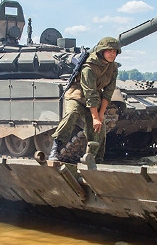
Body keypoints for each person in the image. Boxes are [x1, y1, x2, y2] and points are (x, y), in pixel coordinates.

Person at [48, 37, 120, 168]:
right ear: (101, 51)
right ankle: (56, 149)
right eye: (109, 51)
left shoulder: (113, 67)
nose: (112, 54)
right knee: (72, 114)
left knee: (100, 127)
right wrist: (95, 117)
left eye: (115, 51)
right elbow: (89, 92)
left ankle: (96, 159)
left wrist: (101, 114)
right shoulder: (89, 67)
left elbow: (108, 92)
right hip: (77, 94)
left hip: (94, 96)